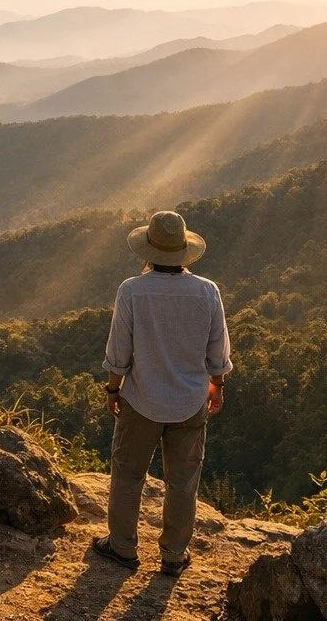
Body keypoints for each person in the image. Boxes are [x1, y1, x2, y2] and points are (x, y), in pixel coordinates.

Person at [91, 210, 232, 578]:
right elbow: (217, 351)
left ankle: (122, 547)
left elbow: (119, 348)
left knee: (128, 474)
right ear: (184, 251)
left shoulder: (132, 290)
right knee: (183, 481)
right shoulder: (207, 291)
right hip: (189, 402)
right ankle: (173, 555)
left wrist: (113, 388)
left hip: (141, 399)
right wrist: (216, 386)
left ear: (148, 250)